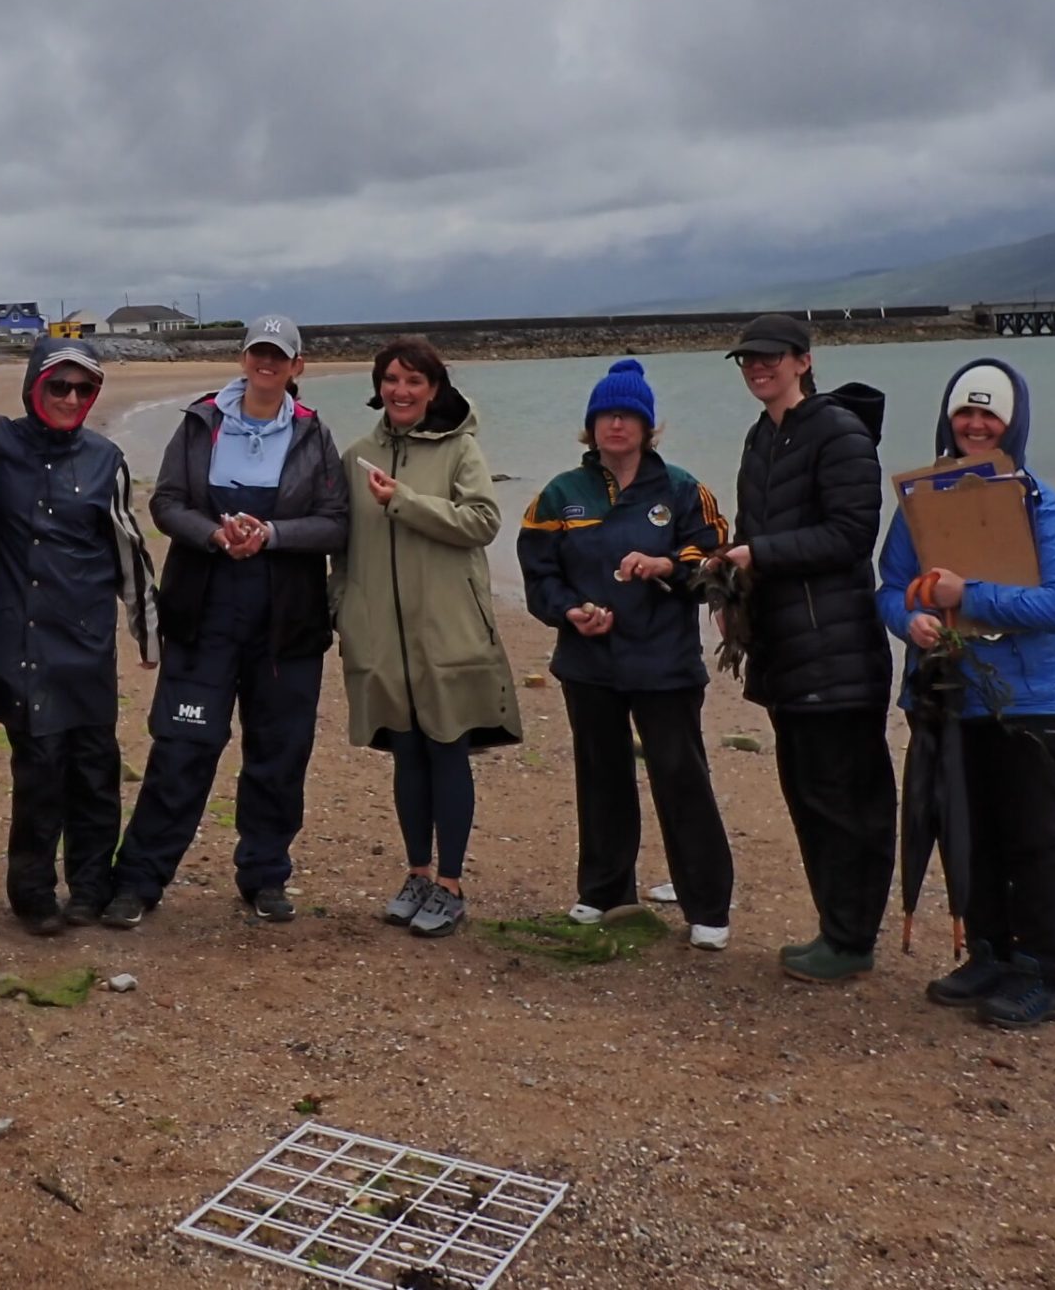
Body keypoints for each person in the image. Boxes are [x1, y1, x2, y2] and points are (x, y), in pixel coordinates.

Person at [106, 315, 350, 927]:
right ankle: (138, 880)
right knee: (184, 748)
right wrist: (216, 533)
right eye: (257, 353)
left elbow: (335, 521)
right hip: (205, 611)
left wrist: (271, 534)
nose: (266, 364)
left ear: (297, 367)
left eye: (279, 356)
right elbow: (166, 503)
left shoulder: (313, 435)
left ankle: (265, 875)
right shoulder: (201, 423)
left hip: (287, 622)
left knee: (279, 752)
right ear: (244, 359)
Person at [876, 359, 1055, 1027]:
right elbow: (888, 586)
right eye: (964, 413)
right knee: (968, 835)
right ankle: (991, 953)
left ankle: (1040, 973)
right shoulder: (919, 505)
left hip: (1032, 703)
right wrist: (908, 619)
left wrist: (967, 596)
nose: (974, 425)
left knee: (1029, 838)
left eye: (988, 414)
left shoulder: (1040, 505)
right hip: (949, 699)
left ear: (1012, 423)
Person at [517, 358, 735, 949]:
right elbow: (539, 575)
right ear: (591, 426)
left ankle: (707, 906)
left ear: (647, 426)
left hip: (664, 663)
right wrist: (570, 612)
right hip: (590, 665)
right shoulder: (560, 495)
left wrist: (668, 565)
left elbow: (718, 563)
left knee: (680, 777)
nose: (617, 425)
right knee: (601, 777)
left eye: (629, 415)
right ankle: (604, 892)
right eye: (607, 415)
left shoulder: (684, 489)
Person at [0, 339, 158, 931]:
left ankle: (91, 888)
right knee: (40, 766)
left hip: (86, 639)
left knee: (96, 766)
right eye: (57, 386)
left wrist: (147, 633)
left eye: (82, 389)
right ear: (32, 387)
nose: (70, 398)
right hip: (19, 640)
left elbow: (129, 548)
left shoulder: (106, 459)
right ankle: (34, 894)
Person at [719, 314, 894, 984]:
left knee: (848, 797)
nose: (757, 368)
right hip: (786, 647)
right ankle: (838, 929)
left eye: (769, 358)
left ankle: (852, 940)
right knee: (809, 795)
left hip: (838, 647)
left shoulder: (838, 431)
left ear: (803, 360)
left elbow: (851, 534)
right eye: (747, 361)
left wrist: (758, 552)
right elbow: (751, 530)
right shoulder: (761, 437)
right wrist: (730, 588)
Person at [334, 337, 521, 939]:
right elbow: (342, 548)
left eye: (415, 381)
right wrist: (344, 608)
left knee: (448, 749)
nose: (402, 391)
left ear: (434, 389)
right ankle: (416, 874)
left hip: (446, 630)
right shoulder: (356, 455)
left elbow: (483, 523)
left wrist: (406, 502)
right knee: (406, 753)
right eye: (392, 379)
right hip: (380, 634)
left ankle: (450, 884)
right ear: (378, 386)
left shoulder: (460, 449)